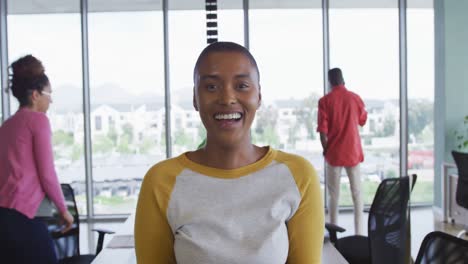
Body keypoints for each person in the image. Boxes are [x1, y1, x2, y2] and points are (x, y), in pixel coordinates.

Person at [135, 42, 324, 264]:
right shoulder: (161, 181)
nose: (227, 99)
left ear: (259, 96)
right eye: (211, 87)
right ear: (195, 98)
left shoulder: (298, 175)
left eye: (242, 85)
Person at [0, 55, 74, 264]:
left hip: (4, 218)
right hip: (24, 216)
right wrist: (63, 209)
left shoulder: (7, 125)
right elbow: (47, 173)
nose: (50, 99)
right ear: (35, 95)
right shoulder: (38, 121)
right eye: (49, 93)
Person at [317, 68, 367, 235]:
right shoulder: (355, 98)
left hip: (334, 154)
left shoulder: (325, 101)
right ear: (343, 80)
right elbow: (362, 120)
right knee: (357, 193)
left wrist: (326, 150)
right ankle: (359, 233)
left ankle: (333, 230)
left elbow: (323, 132)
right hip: (352, 152)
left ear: (330, 82)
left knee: (333, 194)